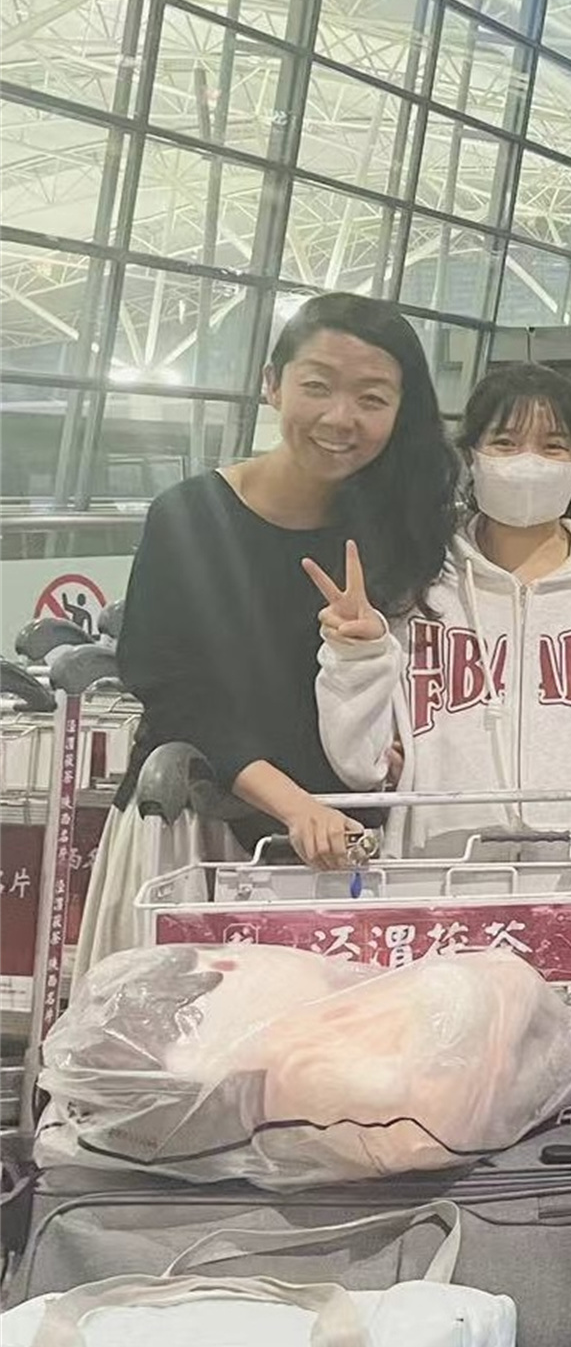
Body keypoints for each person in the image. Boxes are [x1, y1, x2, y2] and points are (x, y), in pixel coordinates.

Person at [313, 362, 571, 980]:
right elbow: (361, 764)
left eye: (553, 445)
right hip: (441, 907)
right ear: (472, 455)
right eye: (506, 442)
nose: (528, 462)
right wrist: (357, 657)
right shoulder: (416, 587)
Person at [78, 294, 458, 971]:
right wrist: (295, 807)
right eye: (317, 386)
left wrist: (404, 738)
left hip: (342, 841)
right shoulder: (190, 517)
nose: (340, 418)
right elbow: (178, 699)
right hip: (199, 831)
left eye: (372, 398)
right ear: (272, 383)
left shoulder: (400, 526)